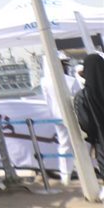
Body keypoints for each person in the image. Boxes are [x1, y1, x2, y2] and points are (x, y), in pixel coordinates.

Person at [42, 52, 83, 184]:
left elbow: (47, 101)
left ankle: (65, 175)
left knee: (64, 145)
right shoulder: (71, 80)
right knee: (81, 144)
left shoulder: (44, 82)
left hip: (56, 117)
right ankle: (84, 172)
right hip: (73, 116)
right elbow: (79, 98)